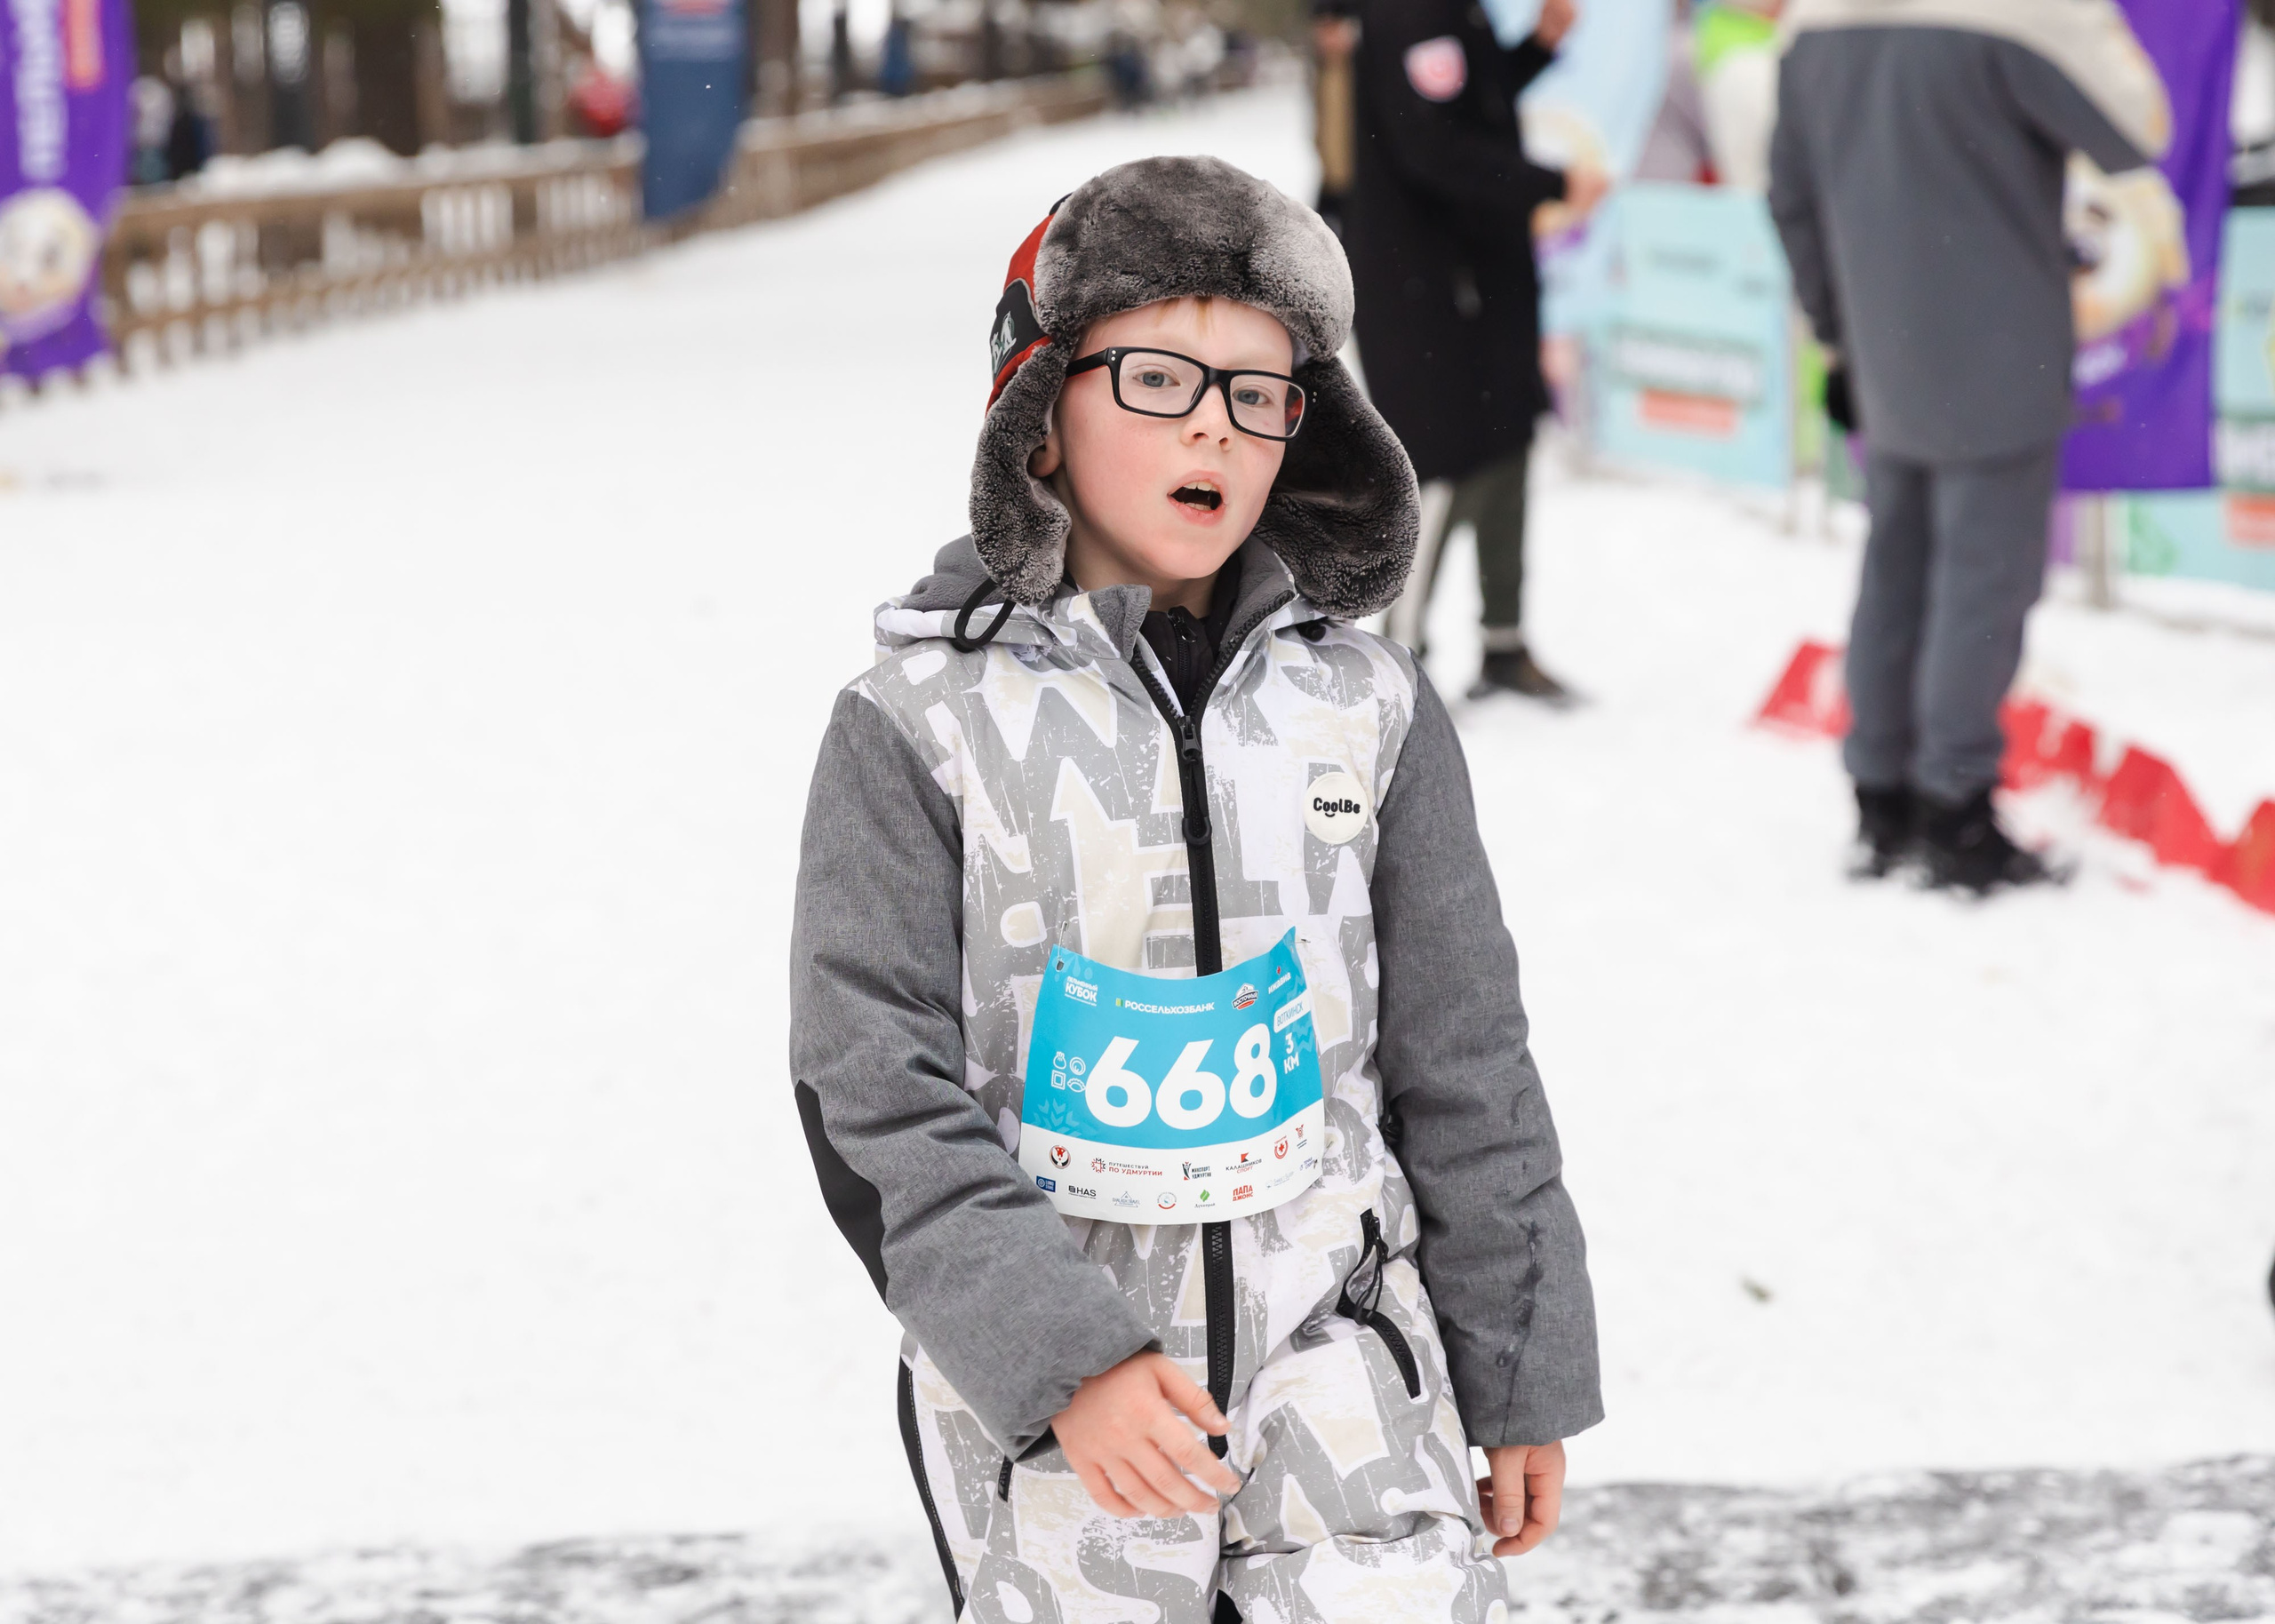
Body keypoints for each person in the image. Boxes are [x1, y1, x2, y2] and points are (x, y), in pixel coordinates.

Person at [790, 157, 1600, 1622]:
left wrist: (1520, 1359)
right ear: (1040, 415)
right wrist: (1058, 1359)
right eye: (1159, 377)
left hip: (1348, 1354)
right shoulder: (919, 721)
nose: (1215, 427)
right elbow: (873, 1087)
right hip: (1069, 1405)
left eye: (1260, 390)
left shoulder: (1372, 706)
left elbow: (1464, 1055)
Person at [1768, 0, 2170, 891]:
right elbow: (2138, 128)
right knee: (1980, 583)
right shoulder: (2012, 19)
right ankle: (1954, 807)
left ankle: (1881, 796)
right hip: (2000, 349)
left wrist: (1837, 331)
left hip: (1885, 346)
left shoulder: (1810, 32)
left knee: (1895, 571)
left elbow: (1790, 198)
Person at [1347, 0, 1607, 704]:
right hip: (1428, 290)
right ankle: (1394, 669)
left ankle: (1503, 644)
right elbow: (1432, 148)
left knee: (1509, 441)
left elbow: (1469, 99)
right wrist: (1552, 185)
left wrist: (1536, 50)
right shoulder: (1410, 13)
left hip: (1483, 279)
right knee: (1441, 463)